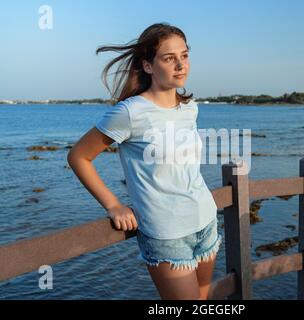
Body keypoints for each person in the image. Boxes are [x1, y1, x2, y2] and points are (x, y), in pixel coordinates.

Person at [67, 23, 222, 300]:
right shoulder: (129, 112)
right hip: (166, 233)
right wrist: (113, 205)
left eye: (184, 56)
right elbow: (79, 156)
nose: (180, 65)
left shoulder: (189, 107)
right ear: (148, 66)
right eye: (169, 58)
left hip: (205, 220)